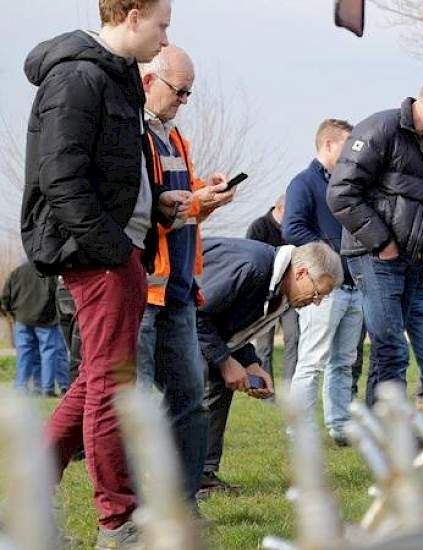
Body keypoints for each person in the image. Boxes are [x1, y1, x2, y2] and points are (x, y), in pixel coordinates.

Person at [20, 1, 181, 546]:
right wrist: (113, 249)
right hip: (100, 255)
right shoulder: (77, 78)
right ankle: (118, 520)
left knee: (95, 378)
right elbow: (60, 179)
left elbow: (117, 172)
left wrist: (159, 202)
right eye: (162, 25)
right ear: (132, 16)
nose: (165, 39)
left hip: (121, 248)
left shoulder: (119, 79)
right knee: (112, 386)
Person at [328, 75, 423, 421]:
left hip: (409, 263)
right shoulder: (380, 130)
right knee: (392, 348)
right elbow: (341, 193)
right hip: (376, 258)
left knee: (398, 350)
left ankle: (384, 427)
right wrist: (382, 242)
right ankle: (390, 431)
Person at [135, 44, 236, 507]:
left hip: (178, 292)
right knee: (134, 407)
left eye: (189, 94)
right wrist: (194, 203)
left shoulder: (175, 139)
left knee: (189, 400)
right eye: (180, 92)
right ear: (150, 81)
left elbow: (181, 209)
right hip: (143, 294)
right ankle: (131, 509)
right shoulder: (134, 134)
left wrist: (205, 196)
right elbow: (143, 213)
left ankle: (182, 503)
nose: (183, 101)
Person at [198, 238, 343, 495]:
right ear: (300, 273)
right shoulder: (253, 269)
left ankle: (202, 476)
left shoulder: (278, 288)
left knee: (217, 384)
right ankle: (174, 483)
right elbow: (196, 313)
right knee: (192, 391)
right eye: (318, 293)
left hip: (190, 324)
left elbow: (228, 325)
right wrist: (225, 361)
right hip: (157, 317)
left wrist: (250, 364)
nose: (317, 302)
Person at [283, 118, 364, 445]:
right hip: (323, 287)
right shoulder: (303, 183)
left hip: (353, 285)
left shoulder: (351, 184)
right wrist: (329, 254)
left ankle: (340, 426)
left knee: (345, 362)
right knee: (312, 362)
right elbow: (292, 228)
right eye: (347, 144)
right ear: (328, 144)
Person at [246, 196, 300, 388]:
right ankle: (264, 389)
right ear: (279, 208)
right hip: (265, 298)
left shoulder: (294, 228)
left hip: (288, 296)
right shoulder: (258, 227)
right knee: (265, 347)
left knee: (293, 339)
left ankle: (289, 391)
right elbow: (250, 260)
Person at [1, 262, 70, 396]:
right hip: (46, 319)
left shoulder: (17, 272)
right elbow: (56, 294)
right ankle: (46, 389)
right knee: (48, 354)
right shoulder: (49, 272)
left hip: (22, 318)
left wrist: (12, 313)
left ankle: (21, 387)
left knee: (24, 354)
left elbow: (5, 296)